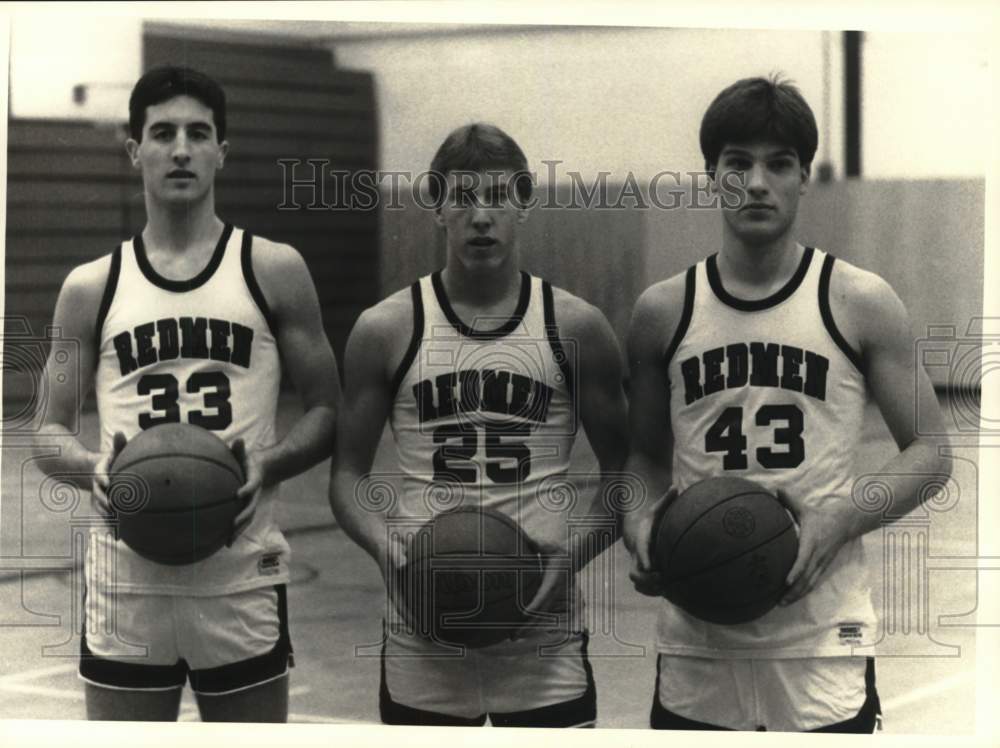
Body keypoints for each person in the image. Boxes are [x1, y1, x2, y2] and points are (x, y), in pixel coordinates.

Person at [622, 75, 952, 732]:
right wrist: (642, 531)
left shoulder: (859, 301)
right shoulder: (662, 310)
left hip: (823, 637)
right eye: (737, 163)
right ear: (712, 177)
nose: (756, 182)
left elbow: (931, 452)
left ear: (804, 177)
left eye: (778, 163)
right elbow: (644, 460)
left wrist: (839, 520)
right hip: (698, 637)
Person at [34, 66, 340, 722]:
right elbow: (47, 432)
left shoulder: (273, 269)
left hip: (240, 573)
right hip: (126, 581)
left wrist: (270, 463)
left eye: (198, 134)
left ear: (220, 152)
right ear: (134, 150)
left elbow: (327, 411)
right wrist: (93, 468)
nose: (180, 149)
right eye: (163, 133)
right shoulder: (91, 286)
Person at [329, 123, 629, 727]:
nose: (481, 216)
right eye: (462, 197)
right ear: (436, 207)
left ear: (525, 202)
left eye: (497, 196)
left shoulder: (576, 327)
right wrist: (385, 549)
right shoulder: (386, 328)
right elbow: (346, 476)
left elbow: (626, 472)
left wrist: (574, 554)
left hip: (543, 634)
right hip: (422, 629)